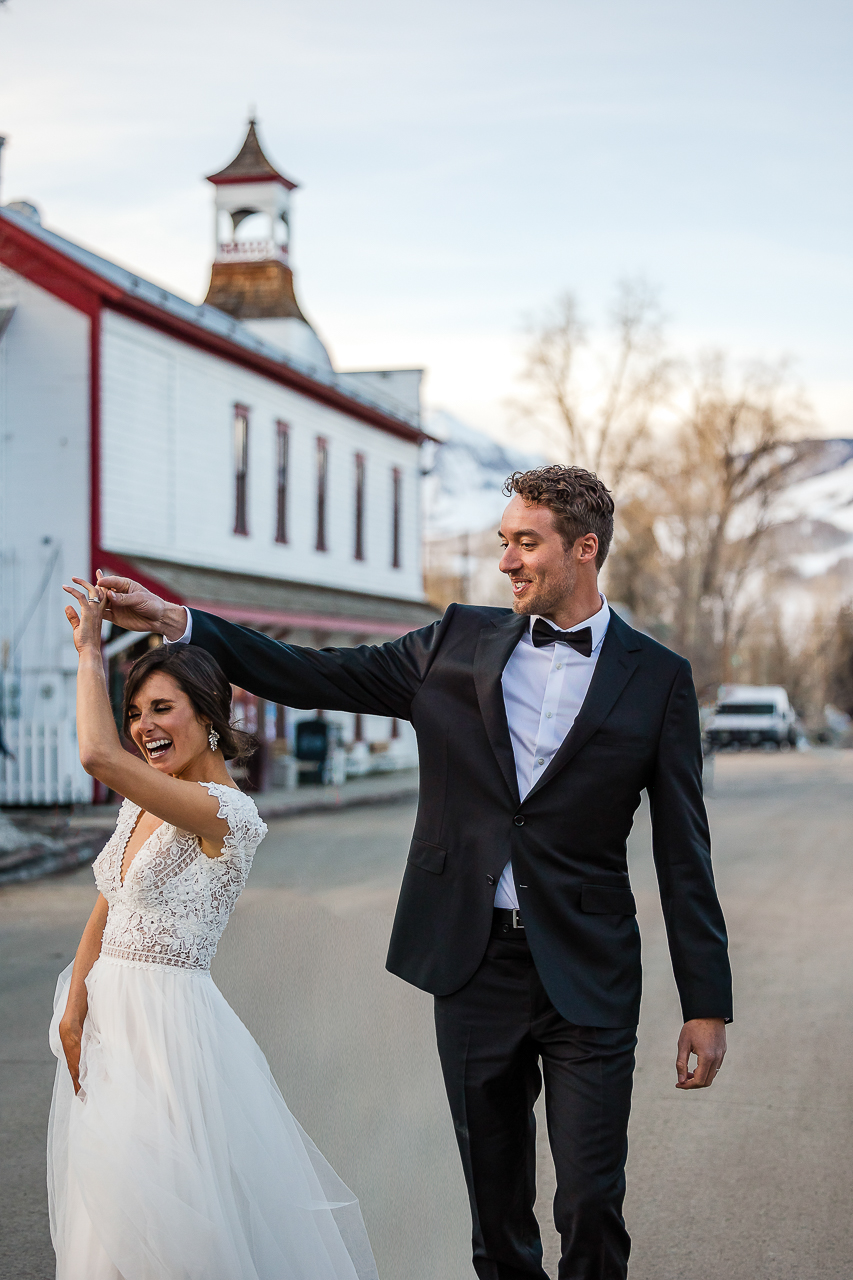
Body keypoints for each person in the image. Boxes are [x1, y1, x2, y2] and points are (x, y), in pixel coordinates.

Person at [96, 464, 732, 1280]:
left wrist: (705, 1005)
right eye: (503, 542)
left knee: (589, 1202)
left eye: (525, 544)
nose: (506, 561)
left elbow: (685, 851)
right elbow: (312, 675)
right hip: (474, 966)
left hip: (590, 970)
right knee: (496, 1215)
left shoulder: (657, 679)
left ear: (585, 549)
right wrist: (183, 623)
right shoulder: (454, 644)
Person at [49, 579, 378, 1280]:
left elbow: (96, 757)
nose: (143, 727)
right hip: (110, 1027)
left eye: (161, 709)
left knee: (175, 1226)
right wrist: (74, 1011)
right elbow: (107, 907)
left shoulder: (225, 812)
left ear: (207, 715)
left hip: (170, 1035)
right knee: (111, 1225)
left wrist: (89, 653)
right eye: (134, 712)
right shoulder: (140, 804)